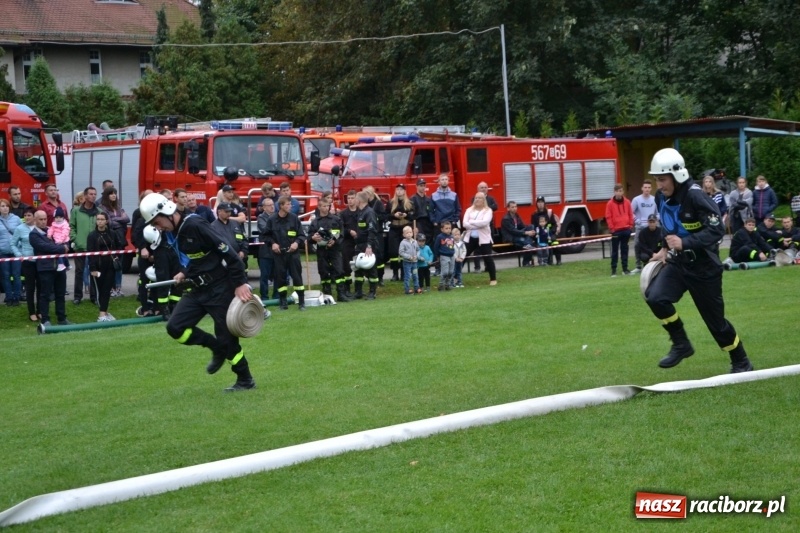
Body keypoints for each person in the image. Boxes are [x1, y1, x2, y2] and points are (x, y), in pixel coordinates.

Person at [645, 148, 753, 373]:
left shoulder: (696, 196)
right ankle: (681, 344)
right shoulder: (661, 197)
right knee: (655, 298)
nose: (659, 185)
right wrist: (665, 248)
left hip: (704, 268)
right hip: (678, 264)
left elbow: (717, 230)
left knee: (716, 323)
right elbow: (669, 224)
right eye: (656, 180)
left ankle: (741, 360)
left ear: (677, 176)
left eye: (662, 180)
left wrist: (685, 243)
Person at [140, 192, 256, 392]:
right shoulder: (173, 231)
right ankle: (214, 347)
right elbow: (197, 257)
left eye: (157, 221)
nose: (157, 227)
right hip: (197, 289)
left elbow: (229, 253)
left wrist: (240, 283)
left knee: (227, 339)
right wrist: (184, 272)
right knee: (175, 327)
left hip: (221, 289)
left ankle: (245, 379)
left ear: (167, 212)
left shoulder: (196, 225)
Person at [29, 210, 72, 326]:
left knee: (60, 294)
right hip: (45, 268)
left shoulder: (51, 230)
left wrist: (65, 245)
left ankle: (62, 318)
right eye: (40, 219)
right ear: (35, 220)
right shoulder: (33, 234)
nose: (43, 222)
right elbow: (45, 247)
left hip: (60, 266)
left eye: (44, 219)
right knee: (45, 294)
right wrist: (61, 248)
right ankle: (45, 319)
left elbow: (65, 240)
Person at [264, 196, 306, 310]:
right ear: (281, 206)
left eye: (290, 204)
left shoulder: (294, 218)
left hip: (293, 254)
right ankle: (283, 303)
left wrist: (297, 243)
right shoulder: (272, 220)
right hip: (279, 254)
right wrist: (272, 243)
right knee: (280, 278)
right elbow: (265, 236)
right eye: (287, 204)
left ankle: (301, 302)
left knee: (297, 277)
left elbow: (301, 235)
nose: (290, 206)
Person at [309, 198, 351, 302]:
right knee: (323, 272)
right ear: (319, 207)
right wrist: (313, 238)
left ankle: (341, 294)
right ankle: (327, 295)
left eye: (328, 206)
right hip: (322, 251)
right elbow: (309, 237)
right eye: (324, 206)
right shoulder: (315, 222)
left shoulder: (336, 219)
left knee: (339, 271)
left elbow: (341, 233)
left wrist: (335, 241)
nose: (326, 208)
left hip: (335, 249)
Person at [87, 211, 124, 321]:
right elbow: (90, 253)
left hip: (110, 266)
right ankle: (102, 314)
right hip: (98, 267)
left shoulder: (112, 233)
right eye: (98, 219)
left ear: (106, 221)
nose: (100, 221)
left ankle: (104, 314)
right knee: (99, 290)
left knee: (106, 290)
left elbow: (119, 246)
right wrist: (93, 268)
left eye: (102, 219)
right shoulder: (92, 235)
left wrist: (116, 256)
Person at [69, 186, 99, 305]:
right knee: (79, 272)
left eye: (95, 194)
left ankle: (94, 296)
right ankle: (77, 296)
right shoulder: (76, 211)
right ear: (85, 196)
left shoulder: (99, 211)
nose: (93, 196)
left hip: (95, 248)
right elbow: (72, 226)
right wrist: (75, 239)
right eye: (91, 194)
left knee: (94, 271)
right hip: (80, 246)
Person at [100, 187, 130, 297]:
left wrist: (115, 220)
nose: (114, 195)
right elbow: (109, 223)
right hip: (109, 239)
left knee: (119, 265)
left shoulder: (118, 207)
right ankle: (110, 288)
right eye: (111, 194)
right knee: (110, 265)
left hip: (120, 239)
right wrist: (119, 220)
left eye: (115, 193)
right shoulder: (102, 208)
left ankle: (118, 287)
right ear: (106, 195)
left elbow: (127, 219)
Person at [462, 192, 497, 286]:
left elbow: (485, 223)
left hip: (484, 239)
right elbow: (465, 224)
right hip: (470, 238)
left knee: (488, 258)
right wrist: (476, 224)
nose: (477, 199)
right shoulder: (469, 210)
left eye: (479, 198)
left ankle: (493, 279)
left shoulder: (488, 210)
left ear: (483, 200)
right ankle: (456, 277)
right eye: (476, 198)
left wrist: (472, 222)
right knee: (462, 256)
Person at [352, 190, 380, 299]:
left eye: (355, 199)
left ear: (359, 200)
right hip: (359, 245)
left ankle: (372, 292)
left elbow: (372, 230)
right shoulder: (361, 212)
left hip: (368, 245)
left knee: (371, 269)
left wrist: (369, 246)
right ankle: (358, 291)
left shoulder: (369, 212)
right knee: (358, 267)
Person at [11, 207, 38, 320]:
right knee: (30, 288)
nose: (26, 217)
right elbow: (13, 244)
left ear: (34, 216)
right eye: (25, 215)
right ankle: (31, 312)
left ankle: (41, 311)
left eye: (29, 215)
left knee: (41, 287)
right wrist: (19, 255)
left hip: (41, 261)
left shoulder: (39, 227)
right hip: (28, 262)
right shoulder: (19, 228)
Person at [431, 174, 460, 274]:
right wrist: (434, 221)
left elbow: (458, 209)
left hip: (451, 223)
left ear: (448, 181)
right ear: (438, 182)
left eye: (446, 179)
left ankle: (453, 268)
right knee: (438, 246)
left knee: (451, 245)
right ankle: (438, 268)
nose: (444, 181)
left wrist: (455, 220)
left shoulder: (454, 195)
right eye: (442, 179)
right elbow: (431, 210)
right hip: (439, 224)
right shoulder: (434, 195)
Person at [131, 189, 154, 316]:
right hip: (144, 253)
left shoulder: (158, 214)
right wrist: (142, 248)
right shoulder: (139, 214)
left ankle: (157, 307)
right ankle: (145, 308)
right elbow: (135, 234)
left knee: (157, 281)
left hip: (156, 254)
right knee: (144, 281)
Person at [386, 184, 415, 282]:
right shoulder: (391, 203)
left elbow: (413, 215)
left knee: (405, 251)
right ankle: (395, 273)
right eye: (397, 189)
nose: (399, 191)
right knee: (394, 252)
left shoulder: (409, 203)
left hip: (405, 228)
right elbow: (386, 215)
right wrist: (394, 215)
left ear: (404, 191)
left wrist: (406, 215)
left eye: (401, 189)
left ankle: (404, 273)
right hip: (394, 228)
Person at [605, 184, 633, 276]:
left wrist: (630, 225)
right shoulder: (610, 204)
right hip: (616, 230)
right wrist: (612, 228)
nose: (619, 193)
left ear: (623, 192)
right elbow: (608, 217)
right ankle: (614, 270)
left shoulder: (627, 202)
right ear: (614, 192)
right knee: (615, 251)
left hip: (626, 229)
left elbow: (630, 214)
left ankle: (625, 269)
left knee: (625, 249)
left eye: (620, 191)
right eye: (617, 191)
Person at [470, 182, 498, 272]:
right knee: (477, 249)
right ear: (478, 189)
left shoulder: (491, 198)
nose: (484, 189)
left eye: (485, 187)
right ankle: (477, 267)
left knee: (488, 248)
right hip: (478, 228)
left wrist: (485, 207)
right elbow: (474, 208)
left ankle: (488, 267)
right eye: (482, 187)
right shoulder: (474, 199)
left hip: (489, 227)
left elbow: (496, 206)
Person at [362, 185, 388, 285]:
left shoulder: (378, 203)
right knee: (369, 255)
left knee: (379, 255)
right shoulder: (365, 205)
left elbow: (384, 216)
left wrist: (374, 217)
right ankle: (371, 276)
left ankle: (380, 277)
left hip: (378, 233)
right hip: (368, 233)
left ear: (370, 194)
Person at [631, 180, 658, 272]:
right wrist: (637, 221)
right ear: (642, 188)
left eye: (649, 187)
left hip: (652, 227)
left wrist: (656, 220)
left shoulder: (654, 199)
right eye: (645, 187)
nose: (647, 189)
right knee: (637, 245)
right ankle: (638, 266)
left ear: (651, 189)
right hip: (640, 226)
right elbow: (631, 212)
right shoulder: (636, 200)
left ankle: (652, 261)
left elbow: (658, 213)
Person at [0, 198, 23, 306]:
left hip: (16, 251)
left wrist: (21, 248)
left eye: (6, 206)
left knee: (16, 274)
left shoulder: (16, 219)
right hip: (3, 251)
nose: (5, 208)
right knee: (5, 275)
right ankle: (9, 297)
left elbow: (22, 234)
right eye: (2, 206)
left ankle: (17, 297)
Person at [500, 201, 535, 267]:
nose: (515, 208)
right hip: (511, 236)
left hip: (518, 234)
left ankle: (528, 242)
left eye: (515, 207)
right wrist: (526, 233)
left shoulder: (517, 216)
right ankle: (526, 262)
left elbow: (523, 226)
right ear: (508, 208)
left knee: (531, 226)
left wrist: (529, 231)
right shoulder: (506, 219)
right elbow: (512, 231)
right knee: (528, 243)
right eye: (512, 207)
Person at [530, 196, 562, 266]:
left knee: (555, 242)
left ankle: (558, 260)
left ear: (544, 203)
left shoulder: (549, 213)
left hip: (549, 234)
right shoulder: (534, 215)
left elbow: (554, 225)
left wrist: (551, 233)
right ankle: (541, 261)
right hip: (540, 235)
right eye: (538, 202)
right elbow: (533, 227)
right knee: (532, 244)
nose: (540, 204)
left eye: (542, 202)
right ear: (536, 204)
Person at [340, 190, 360, 299]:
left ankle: (358, 289)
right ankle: (347, 289)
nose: (350, 201)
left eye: (352, 198)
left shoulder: (361, 212)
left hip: (358, 241)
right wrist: (349, 231)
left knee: (359, 265)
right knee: (346, 266)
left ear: (357, 199)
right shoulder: (343, 214)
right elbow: (341, 227)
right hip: (347, 242)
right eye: (349, 199)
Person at [256, 197, 276, 300]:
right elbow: (265, 230)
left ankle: (277, 295)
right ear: (264, 207)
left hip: (276, 251)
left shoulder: (277, 216)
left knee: (277, 275)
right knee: (264, 275)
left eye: (273, 204)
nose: (272, 206)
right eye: (269, 205)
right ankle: (264, 296)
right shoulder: (261, 218)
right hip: (265, 251)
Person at [410, 179, 434, 252]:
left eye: (424, 186)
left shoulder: (428, 199)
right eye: (421, 186)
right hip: (418, 222)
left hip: (428, 222)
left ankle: (429, 259)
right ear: (416, 186)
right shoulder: (412, 199)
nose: (423, 187)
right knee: (420, 240)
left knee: (429, 240)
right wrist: (414, 227)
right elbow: (411, 214)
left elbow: (431, 211)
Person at [398, 225, 421, 294]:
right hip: (407, 262)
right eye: (407, 233)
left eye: (410, 232)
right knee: (408, 276)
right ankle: (407, 289)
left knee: (415, 275)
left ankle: (417, 288)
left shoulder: (415, 242)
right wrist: (409, 257)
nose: (409, 234)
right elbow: (401, 252)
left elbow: (418, 250)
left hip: (414, 262)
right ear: (404, 234)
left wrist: (417, 256)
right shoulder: (403, 243)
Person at [47, 207, 71, 272]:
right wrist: (49, 234)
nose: (58, 219)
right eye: (56, 217)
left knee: (59, 253)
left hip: (64, 241)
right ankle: (67, 265)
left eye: (60, 217)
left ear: (63, 218)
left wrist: (61, 240)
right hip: (57, 241)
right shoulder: (54, 224)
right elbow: (51, 229)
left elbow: (65, 233)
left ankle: (61, 264)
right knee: (63, 254)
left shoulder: (65, 225)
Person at [433, 221, 455, 290]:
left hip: (452, 256)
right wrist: (437, 256)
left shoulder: (451, 237)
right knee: (445, 272)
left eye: (449, 228)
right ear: (442, 229)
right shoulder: (440, 237)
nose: (448, 229)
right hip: (444, 255)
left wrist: (453, 252)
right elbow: (436, 247)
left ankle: (447, 284)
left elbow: (452, 246)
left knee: (451, 272)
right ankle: (441, 284)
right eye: (446, 228)